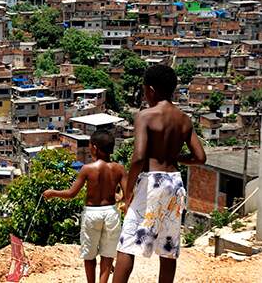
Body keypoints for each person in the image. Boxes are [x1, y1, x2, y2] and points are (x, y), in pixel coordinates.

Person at [113, 64, 207, 283]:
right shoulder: (184, 119)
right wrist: (176, 158)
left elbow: (138, 157)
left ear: (151, 90)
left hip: (152, 181)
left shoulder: (145, 116)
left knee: (127, 244)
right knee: (168, 247)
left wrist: (128, 191)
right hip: (175, 184)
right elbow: (200, 157)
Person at [43, 130, 126, 283]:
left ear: (94, 148)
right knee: (107, 255)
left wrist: (52, 193)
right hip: (111, 212)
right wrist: (120, 198)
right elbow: (127, 194)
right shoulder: (119, 169)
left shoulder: (87, 169)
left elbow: (71, 193)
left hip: (92, 214)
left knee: (89, 255)